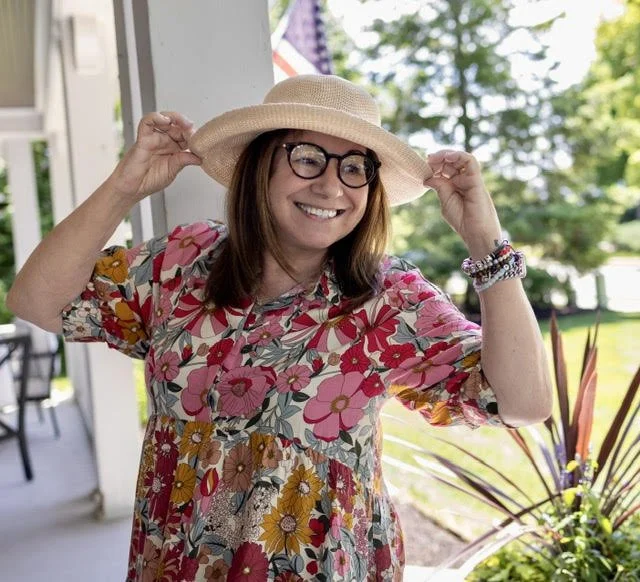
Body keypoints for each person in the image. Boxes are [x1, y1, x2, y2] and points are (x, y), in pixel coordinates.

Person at [7, 74, 552, 581]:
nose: (333, 187)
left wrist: (485, 240)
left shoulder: (389, 300)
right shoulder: (182, 264)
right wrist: (123, 188)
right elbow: (36, 300)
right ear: (260, 164)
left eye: (355, 167)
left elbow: (524, 401)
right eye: (309, 158)